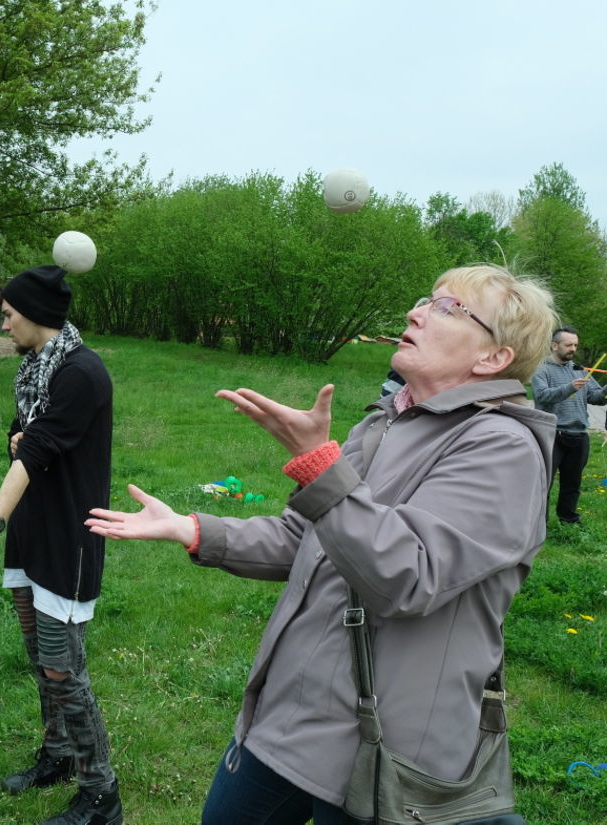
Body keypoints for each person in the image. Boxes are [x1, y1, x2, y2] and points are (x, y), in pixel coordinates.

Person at [87, 264, 556, 825]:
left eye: (448, 308)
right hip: (292, 714)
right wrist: (193, 529)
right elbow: (304, 538)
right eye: (425, 300)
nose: (416, 313)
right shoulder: (383, 424)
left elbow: (408, 575)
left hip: (386, 747)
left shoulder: (502, 447)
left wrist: (319, 466)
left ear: (492, 359)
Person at [0, 265, 121, 825]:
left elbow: (36, 451)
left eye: (7, 315)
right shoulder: (36, 370)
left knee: (62, 668)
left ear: (33, 316)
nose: (3, 325)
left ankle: (101, 794)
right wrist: (17, 440)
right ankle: (57, 755)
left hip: (66, 541)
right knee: (39, 658)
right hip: (34, 532)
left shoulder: (81, 373)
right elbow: (24, 441)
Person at [531, 326, 607, 524]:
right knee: (543, 483)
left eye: (575, 345)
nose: (573, 348)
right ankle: (539, 523)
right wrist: (569, 387)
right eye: (568, 345)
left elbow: (596, 397)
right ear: (554, 345)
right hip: (552, 434)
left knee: (572, 482)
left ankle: (568, 519)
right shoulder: (541, 369)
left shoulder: (579, 369)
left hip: (579, 434)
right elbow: (542, 396)